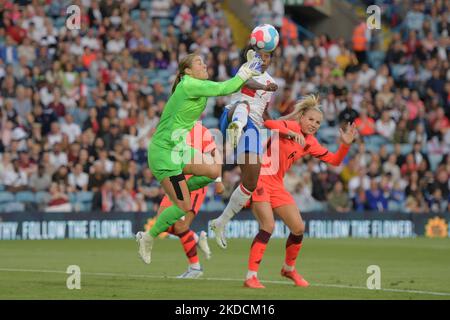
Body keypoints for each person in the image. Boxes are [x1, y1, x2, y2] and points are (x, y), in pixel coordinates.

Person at [136, 52, 262, 264]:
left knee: (214, 171)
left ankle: (181, 194)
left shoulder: (196, 86)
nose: (204, 64)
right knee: (184, 207)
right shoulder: (188, 84)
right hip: (165, 154)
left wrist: (246, 67)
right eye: (198, 62)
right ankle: (147, 238)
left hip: (179, 149)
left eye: (204, 61)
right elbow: (225, 88)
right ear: (187, 71)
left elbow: (227, 88)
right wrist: (245, 71)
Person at [242, 95, 357, 288]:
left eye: (318, 122)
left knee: (298, 228)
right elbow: (269, 123)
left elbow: (335, 161)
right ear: (302, 117)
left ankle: (288, 269)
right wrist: (289, 132)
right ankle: (251, 276)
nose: (313, 124)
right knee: (268, 226)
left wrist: (345, 145)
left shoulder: (310, 143)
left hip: (277, 185)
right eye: (311, 119)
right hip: (260, 177)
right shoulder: (291, 126)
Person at [210, 47, 278, 249]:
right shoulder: (248, 68)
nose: (264, 60)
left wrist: (279, 127)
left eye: (267, 57)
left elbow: (264, 112)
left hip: (252, 130)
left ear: (271, 59)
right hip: (232, 115)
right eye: (261, 56)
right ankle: (235, 129)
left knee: (251, 181)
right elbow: (246, 82)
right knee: (243, 106)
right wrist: (265, 88)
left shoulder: (270, 81)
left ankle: (220, 223)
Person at [156, 122, 224, 279]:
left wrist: (218, 181)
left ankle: (195, 267)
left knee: (181, 226)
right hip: (175, 181)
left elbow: (215, 156)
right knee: (161, 222)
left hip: (195, 183)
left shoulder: (201, 131)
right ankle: (195, 237)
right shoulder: (171, 128)